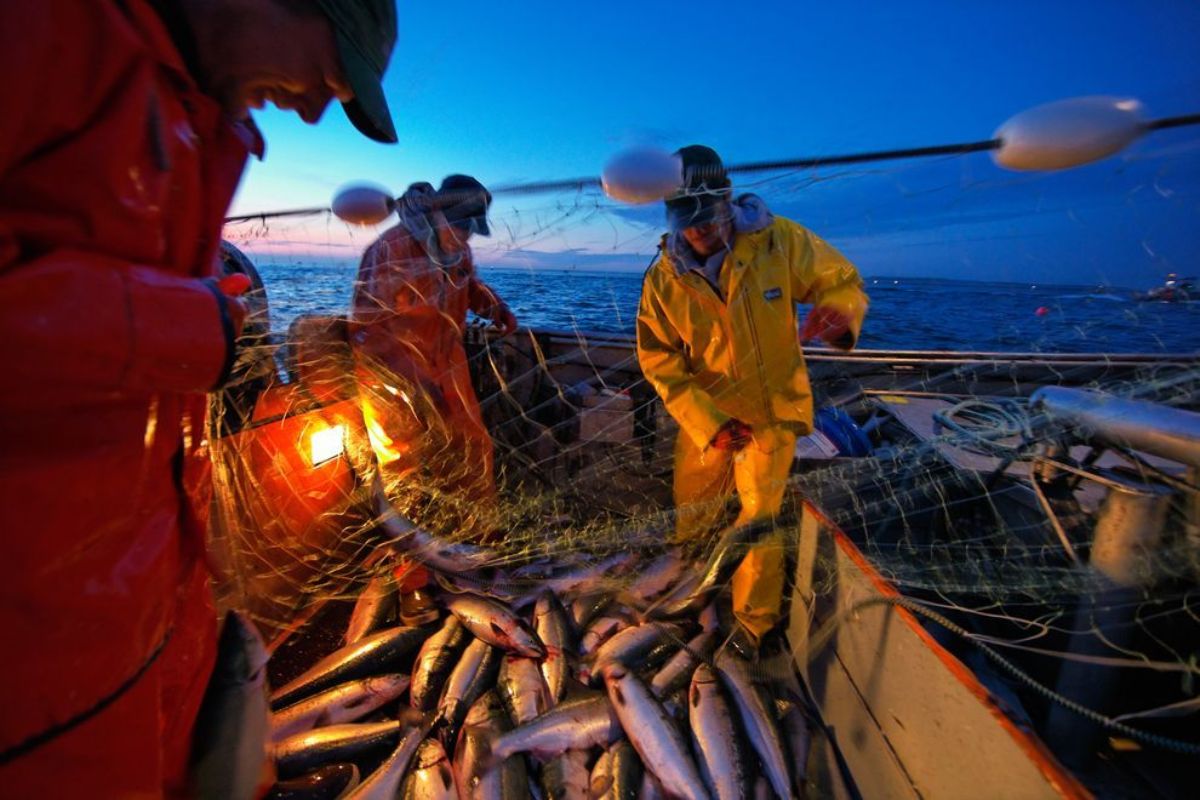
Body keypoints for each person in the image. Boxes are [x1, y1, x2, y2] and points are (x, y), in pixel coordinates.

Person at [0, 0, 397, 795]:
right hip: (34, 661)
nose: (318, 109)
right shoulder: (42, 31)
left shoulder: (188, 113)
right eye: (329, 70)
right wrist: (196, 327)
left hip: (130, 622)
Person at [636, 145, 868, 644]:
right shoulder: (662, 277)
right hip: (708, 420)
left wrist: (839, 311)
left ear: (727, 200)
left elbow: (841, 280)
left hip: (771, 413)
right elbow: (658, 358)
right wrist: (707, 422)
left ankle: (753, 629)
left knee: (758, 523)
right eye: (688, 218)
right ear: (672, 215)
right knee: (691, 515)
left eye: (708, 214)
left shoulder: (779, 241)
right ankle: (690, 603)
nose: (700, 229)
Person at [350, 175, 516, 607]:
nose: (463, 235)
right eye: (459, 224)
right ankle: (413, 580)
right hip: (392, 378)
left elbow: (468, 283)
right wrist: (411, 381)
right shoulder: (390, 249)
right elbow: (366, 327)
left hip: (448, 366)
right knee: (407, 469)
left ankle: (480, 550)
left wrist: (493, 305)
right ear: (438, 212)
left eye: (470, 228)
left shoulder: (456, 246)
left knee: (474, 450)